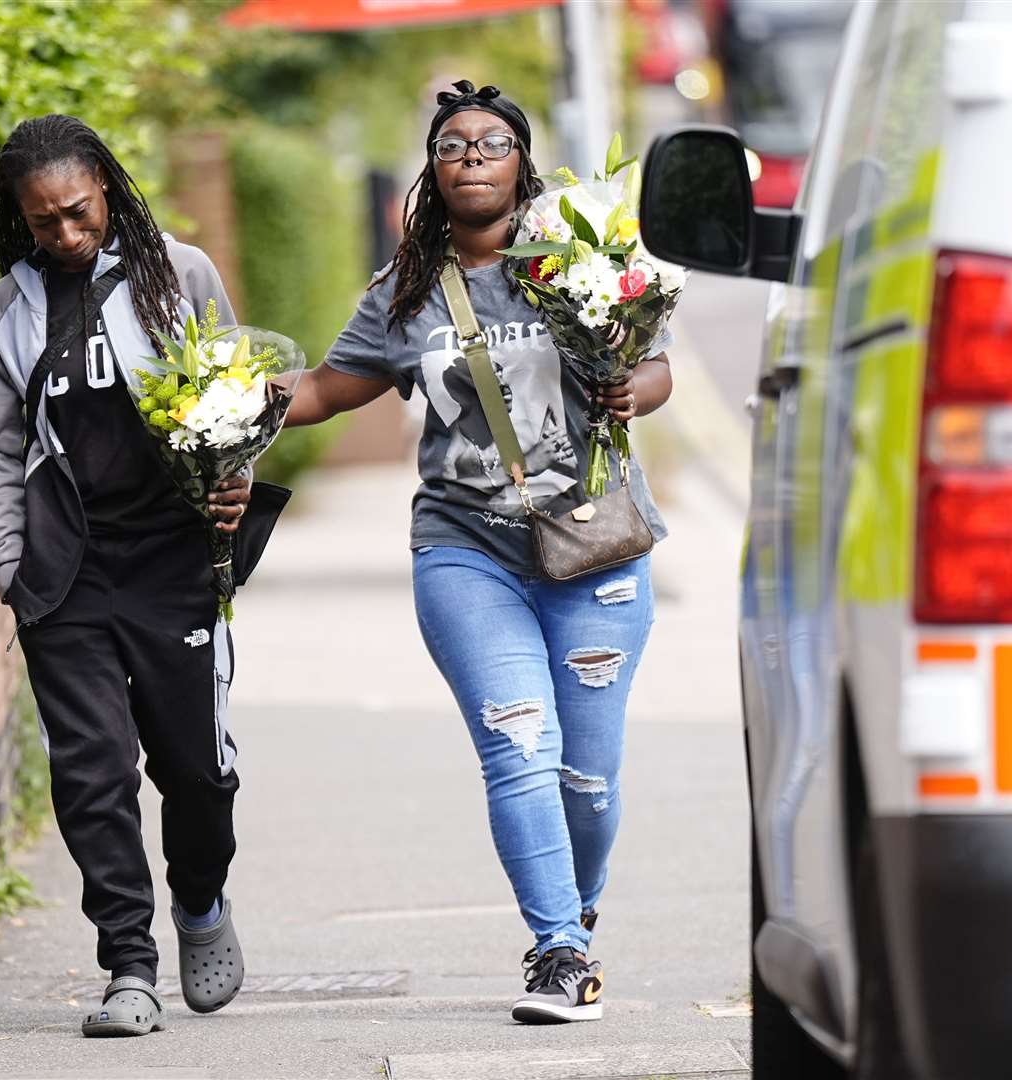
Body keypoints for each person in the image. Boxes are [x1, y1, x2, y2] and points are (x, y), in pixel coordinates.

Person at [284, 80, 674, 1024]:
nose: (469, 155)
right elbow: (328, 391)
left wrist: (633, 391)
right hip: (467, 552)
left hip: (595, 550)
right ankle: (557, 949)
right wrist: (206, 414)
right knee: (517, 743)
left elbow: (658, 366)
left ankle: (575, 906)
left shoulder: (580, 264)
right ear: (432, 169)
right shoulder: (403, 295)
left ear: (521, 166)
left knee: (587, 778)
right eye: (452, 144)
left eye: (491, 143)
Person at [0, 114, 251, 1037]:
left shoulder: (180, 274)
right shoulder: (8, 309)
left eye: (79, 213)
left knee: (197, 773)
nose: (67, 234)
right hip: (65, 574)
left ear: (107, 191)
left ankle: (200, 901)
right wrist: (9, 562)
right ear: (19, 218)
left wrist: (234, 479)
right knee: (92, 776)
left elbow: (236, 397)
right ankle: (128, 965)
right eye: (44, 222)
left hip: (172, 562)